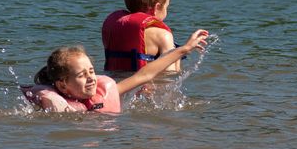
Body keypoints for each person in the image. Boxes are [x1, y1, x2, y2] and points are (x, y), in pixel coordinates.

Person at [22, 30, 208, 113]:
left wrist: (183, 49)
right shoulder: (53, 102)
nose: (91, 79)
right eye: (81, 75)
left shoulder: (106, 91)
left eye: (91, 71)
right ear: (62, 84)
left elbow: (145, 74)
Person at [101, 0, 181, 73]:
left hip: (116, 85)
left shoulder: (113, 27)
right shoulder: (162, 35)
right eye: (167, 6)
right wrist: (178, 55)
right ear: (157, 7)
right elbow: (170, 75)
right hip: (147, 87)